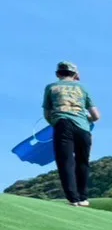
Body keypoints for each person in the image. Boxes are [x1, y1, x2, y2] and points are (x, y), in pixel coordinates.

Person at [43, 61, 100, 207]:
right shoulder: (82, 88)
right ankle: (83, 198)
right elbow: (96, 116)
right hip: (83, 128)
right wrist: (85, 119)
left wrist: (55, 123)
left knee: (66, 161)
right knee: (83, 161)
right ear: (75, 75)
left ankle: (73, 199)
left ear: (57, 74)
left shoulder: (51, 87)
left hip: (62, 125)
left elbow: (47, 114)